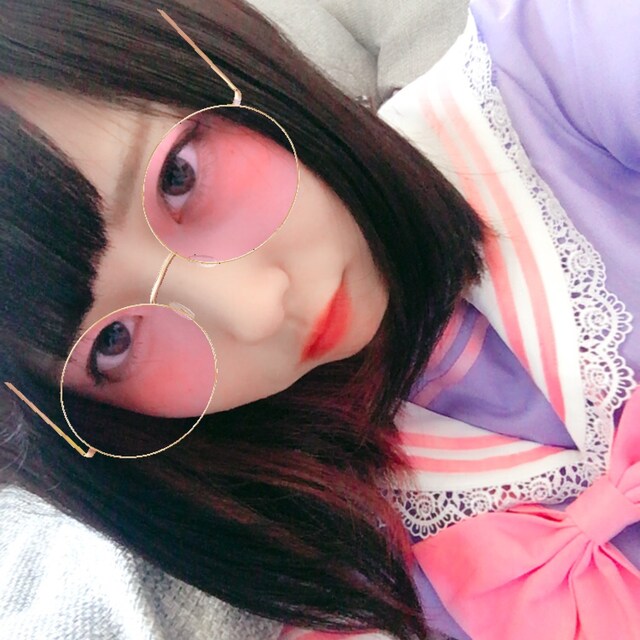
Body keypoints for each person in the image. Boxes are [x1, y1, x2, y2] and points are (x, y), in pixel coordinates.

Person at [0, 3, 637, 640]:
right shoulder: (337, 577)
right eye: (113, 341)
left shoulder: (551, 66)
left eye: (178, 176)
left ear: (200, 57)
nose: (257, 309)